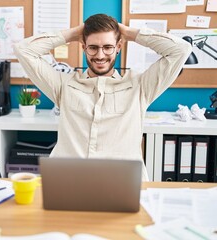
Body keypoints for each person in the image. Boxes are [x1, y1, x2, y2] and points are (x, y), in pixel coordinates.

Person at [13, 14, 192, 181]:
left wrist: (129, 32)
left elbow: (181, 49)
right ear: (83, 47)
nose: (100, 55)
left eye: (107, 47)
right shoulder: (63, 85)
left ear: (119, 47)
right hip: (69, 183)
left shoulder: (140, 87)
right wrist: (73, 33)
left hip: (122, 184)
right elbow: (23, 50)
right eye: (93, 47)